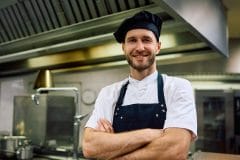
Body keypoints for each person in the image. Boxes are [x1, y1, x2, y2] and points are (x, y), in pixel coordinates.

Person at [82, 10, 197, 160]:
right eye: (132, 40)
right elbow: (90, 146)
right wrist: (151, 134)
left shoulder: (178, 87)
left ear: (158, 46)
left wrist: (113, 148)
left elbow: (175, 150)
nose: (140, 47)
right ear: (123, 47)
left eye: (146, 40)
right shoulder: (109, 93)